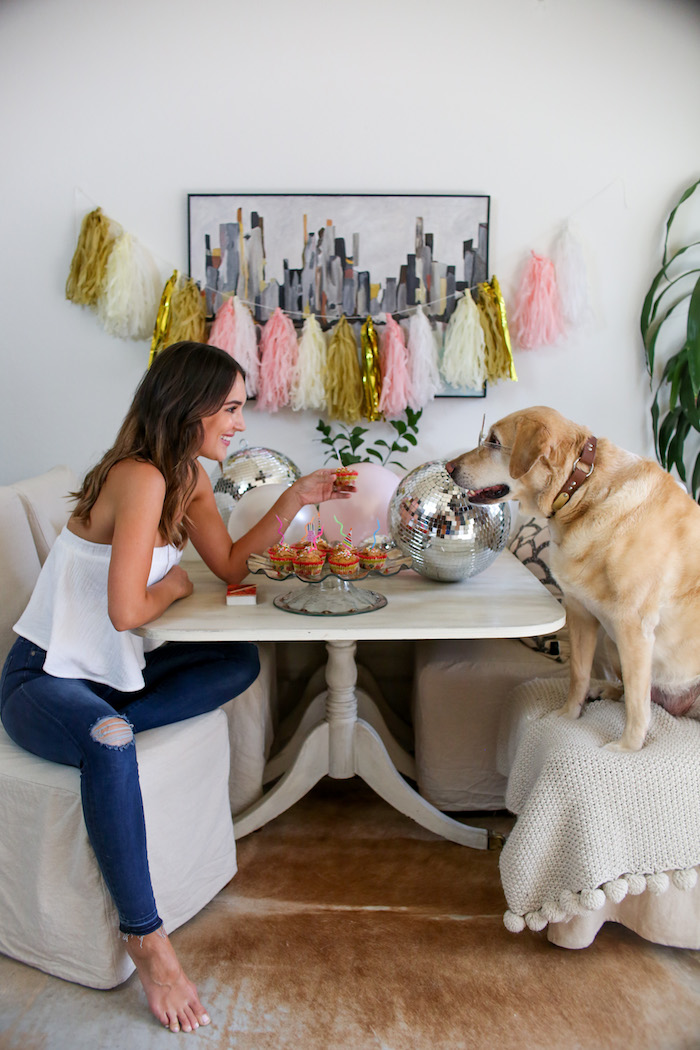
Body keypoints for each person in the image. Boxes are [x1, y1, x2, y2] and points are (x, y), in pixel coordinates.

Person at [0, 341, 352, 1033]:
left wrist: (295, 498)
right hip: (41, 677)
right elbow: (128, 610)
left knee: (238, 662)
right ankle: (148, 940)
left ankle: (112, 727)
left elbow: (227, 565)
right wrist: (173, 582)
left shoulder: (186, 475)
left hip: (105, 677)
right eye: (230, 409)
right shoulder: (139, 478)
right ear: (189, 409)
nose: (240, 424)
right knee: (106, 737)